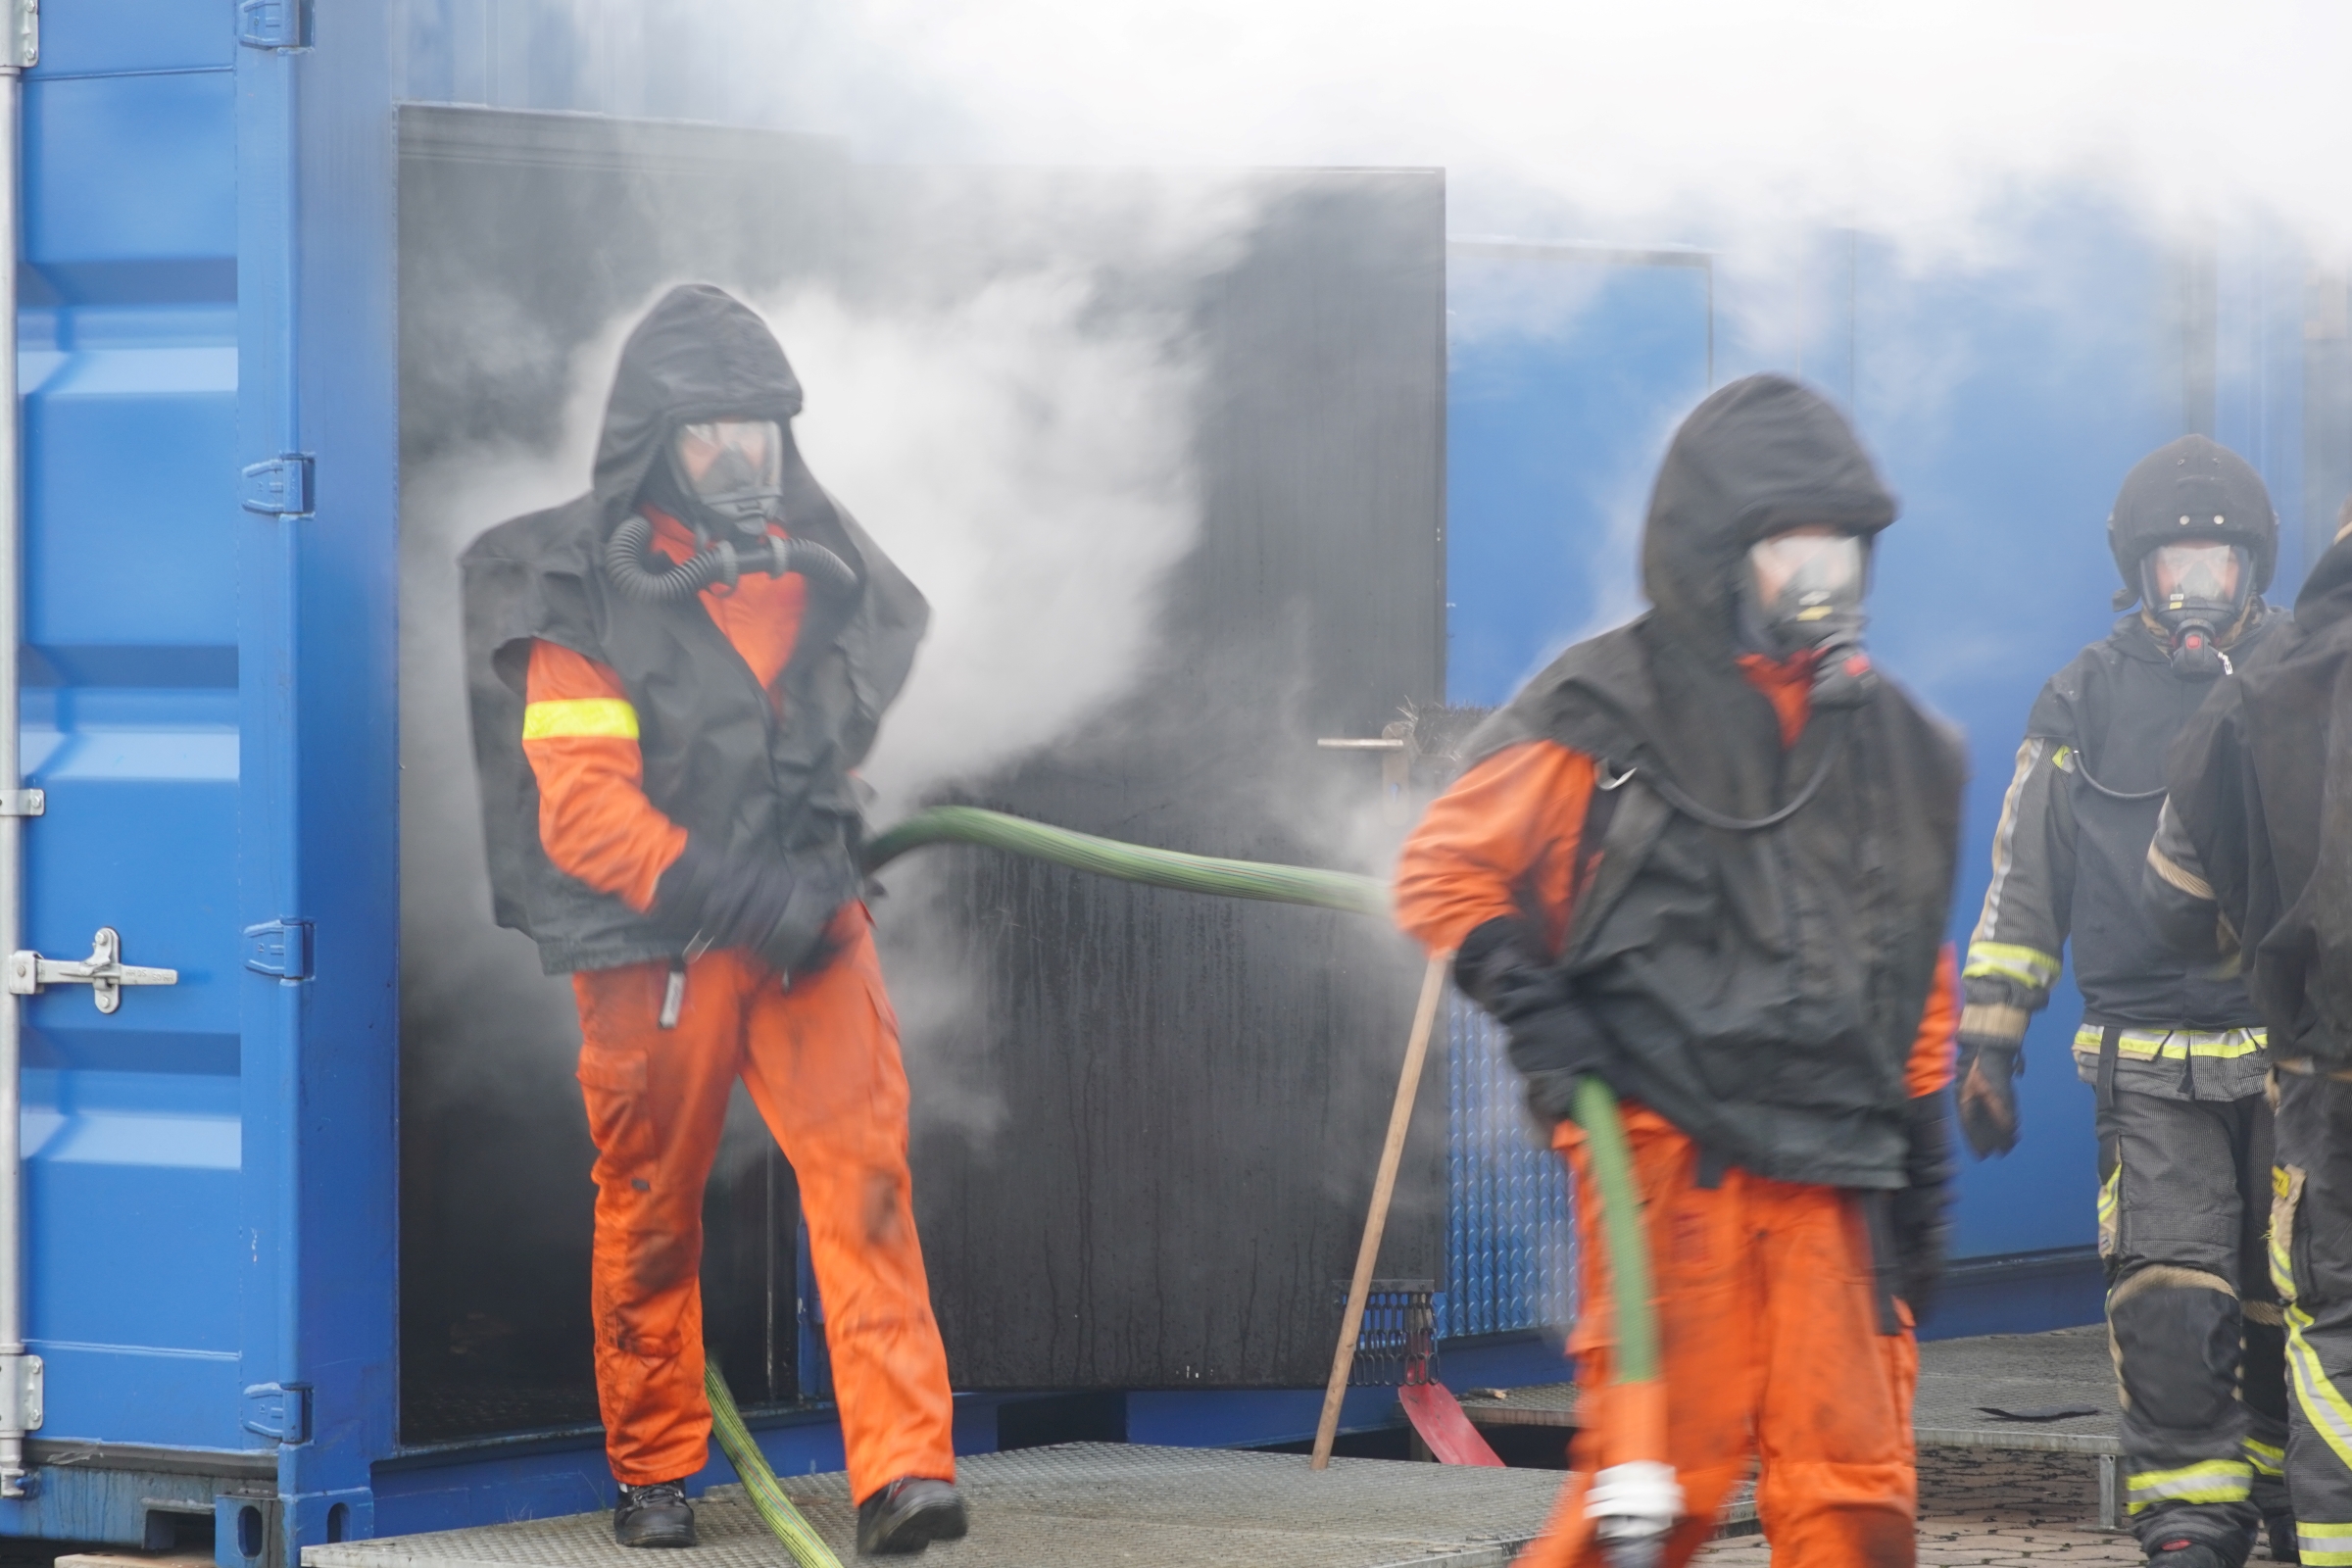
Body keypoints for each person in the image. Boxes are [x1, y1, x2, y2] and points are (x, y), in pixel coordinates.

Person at [1396, 374, 1964, 1568]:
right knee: (1653, 1495)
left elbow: (1914, 953)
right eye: (1793, 552)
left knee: (1855, 1493)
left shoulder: (1896, 746)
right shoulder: (1606, 715)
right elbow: (1445, 866)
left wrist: (1921, 1134)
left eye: (1844, 553)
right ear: (1717, 557)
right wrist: (1531, 1003)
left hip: (1839, 1182)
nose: (1825, 584)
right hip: (1669, 1161)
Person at [461, 284, 963, 1556]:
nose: (741, 455)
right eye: (709, 432)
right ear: (654, 442)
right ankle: (656, 1470)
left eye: (760, 427)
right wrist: (742, 896)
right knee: (652, 1202)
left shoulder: (830, 571)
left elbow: (833, 723)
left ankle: (903, 1474)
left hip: (811, 925)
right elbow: (582, 819)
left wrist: (809, 874)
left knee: (867, 1187)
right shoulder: (575, 590)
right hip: (661, 951)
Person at [1956, 436, 2292, 1568]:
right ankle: (2193, 1529)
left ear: (2255, 568)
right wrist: (1989, 1047)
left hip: (2301, 1061)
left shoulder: (2308, 672)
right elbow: (2024, 879)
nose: (2197, 588)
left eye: (2218, 564)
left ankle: (2304, 1515)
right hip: (2149, 1067)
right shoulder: (2083, 697)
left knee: (2295, 1301)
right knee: (2167, 1299)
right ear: (2139, 573)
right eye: (2175, 565)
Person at [2146, 498, 2352, 1568]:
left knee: (2336, 1332)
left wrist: (2262, 932)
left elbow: (2174, 898)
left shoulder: (2256, 699)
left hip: (2327, 1076)